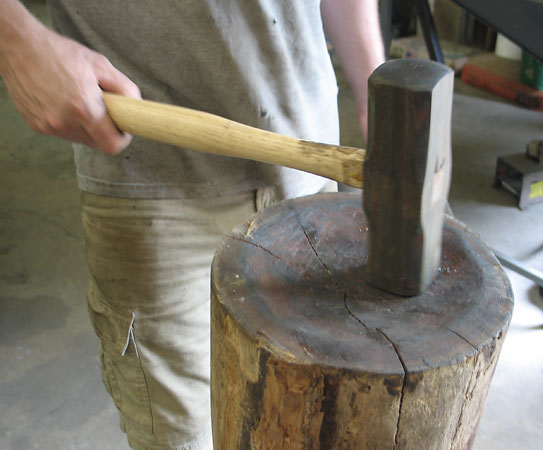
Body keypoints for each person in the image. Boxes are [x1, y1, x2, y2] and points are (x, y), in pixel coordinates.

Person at [0, 0, 385, 448]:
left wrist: (379, 89)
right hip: (155, 184)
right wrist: (14, 37)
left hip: (308, 161)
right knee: (183, 437)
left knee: (306, 421)